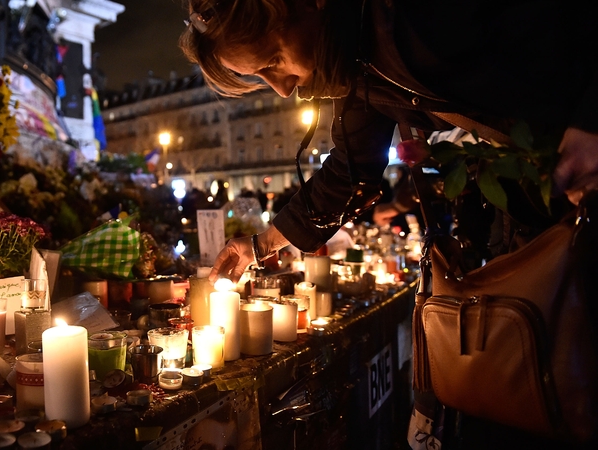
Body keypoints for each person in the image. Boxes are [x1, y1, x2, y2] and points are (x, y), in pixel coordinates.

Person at [179, 0, 598, 448]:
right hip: (538, 209)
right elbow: (350, 169)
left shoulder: (412, 14)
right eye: (260, 77)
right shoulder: (359, 64)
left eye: (273, 61)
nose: (281, 89)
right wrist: (260, 245)